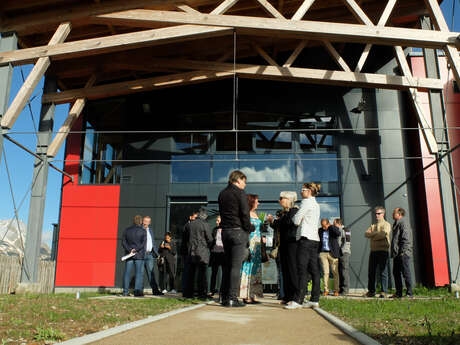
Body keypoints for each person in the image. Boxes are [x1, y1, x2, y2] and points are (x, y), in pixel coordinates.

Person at [218, 170, 254, 307]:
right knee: (235, 266)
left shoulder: (222, 193)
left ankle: (224, 297)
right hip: (238, 231)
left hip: (225, 232)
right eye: (244, 181)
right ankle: (232, 298)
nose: (245, 184)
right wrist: (249, 228)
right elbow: (245, 214)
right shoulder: (240, 193)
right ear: (238, 180)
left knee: (228, 266)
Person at [286, 182, 321, 309]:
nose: (301, 191)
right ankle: (314, 299)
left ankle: (298, 300)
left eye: (303, 189)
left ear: (310, 191)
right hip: (314, 239)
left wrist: (296, 218)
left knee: (302, 270)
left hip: (305, 239)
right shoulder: (316, 204)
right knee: (314, 270)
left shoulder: (306, 202)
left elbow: (296, 221)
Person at [267, 191, 299, 305]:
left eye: (282, 198)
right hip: (284, 245)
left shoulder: (294, 211)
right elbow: (278, 224)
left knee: (292, 270)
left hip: (292, 244)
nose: (280, 200)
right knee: (285, 271)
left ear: (289, 199)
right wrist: (272, 221)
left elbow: (286, 223)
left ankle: (295, 297)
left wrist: (276, 221)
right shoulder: (285, 213)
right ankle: (288, 296)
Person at [184, 207, 213, 299]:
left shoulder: (189, 225)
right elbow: (210, 239)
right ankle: (202, 293)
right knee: (202, 273)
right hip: (202, 251)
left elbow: (185, 238)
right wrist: (211, 245)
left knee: (191, 273)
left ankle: (188, 293)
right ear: (204, 216)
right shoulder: (205, 224)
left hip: (191, 250)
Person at [239, 194, 264, 304]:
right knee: (247, 268)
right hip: (249, 243)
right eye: (257, 201)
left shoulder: (256, 214)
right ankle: (246, 295)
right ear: (251, 202)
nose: (258, 203)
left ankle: (253, 294)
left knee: (255, 269)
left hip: (257, 245)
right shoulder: (245, 215)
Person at [365, 206, 391, 298]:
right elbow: (366, 234)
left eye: (378, 213)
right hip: (373, 251)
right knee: (371, 272)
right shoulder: (373, 225)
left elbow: (384, 234)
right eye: (376, 213)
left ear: (383, 214)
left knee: (383, 272)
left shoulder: (386, 224)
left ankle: (384, 291)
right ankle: (371, 291)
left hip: (383, 251)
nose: (376, 215)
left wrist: (373, 235)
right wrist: (376, 233)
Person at [390, 207, 413, 298]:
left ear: (399, 214)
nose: (392, 214)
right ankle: (398, 293)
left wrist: (403, 252)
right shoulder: (396, 224)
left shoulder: (403, 223)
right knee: (396, 272)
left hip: (403, 252)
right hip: (397, 253)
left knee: (405, 272)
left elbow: (406, 238)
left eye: (394, 212)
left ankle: (409, 293)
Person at [122, 215, 147, 297]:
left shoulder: (127, 230)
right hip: (139, 255)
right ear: (140, 222)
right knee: (138, 273)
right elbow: (143, 243)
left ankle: (125, 292)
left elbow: (123, 242)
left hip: (129, 255)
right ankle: (137, 292)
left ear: (133, 221)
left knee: (127, 273)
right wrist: (136, 249)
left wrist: (130, 250)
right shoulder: (143, 231)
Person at [318, 218, 341, 296]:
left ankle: (336, 290)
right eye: (322, 226)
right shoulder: (320, 230)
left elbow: (338, 233)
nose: (323, 227)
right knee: (325, 272)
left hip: (333, 253)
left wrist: (330, 226)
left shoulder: (332, 229)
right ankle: (326, 290)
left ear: (328, 224)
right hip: (323, 253)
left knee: (335, 272)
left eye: (325, 226)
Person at [142, 216, 163, 296]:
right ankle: (139, 290)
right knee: (140, 273)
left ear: (149, 223)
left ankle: (155, 291)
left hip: (150, 254)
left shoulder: (150, 230)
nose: (146, 223)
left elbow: (153, 243)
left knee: (151, 273)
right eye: (145, 221)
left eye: (147, 222)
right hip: (142, 254)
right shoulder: (140, 229)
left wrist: (157, 254)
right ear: (142, 221)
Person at [180, 211, 198, 294]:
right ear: (190, 217)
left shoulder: (190, 226)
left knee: (189, 271)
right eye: (195, 218)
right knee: (186, 271)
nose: (196, 220)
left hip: (190, 252)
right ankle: (185, 289)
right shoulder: (187, 226)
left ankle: (189, 289)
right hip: (187, 252)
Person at [209, 215, 225, 297]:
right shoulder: (214, 230)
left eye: (218, 220)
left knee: (224, 273)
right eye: (216, 220)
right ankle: (212, 290)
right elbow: (211, 241)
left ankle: (222, 291)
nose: (216, 222)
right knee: (214, 273)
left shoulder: (225, 230)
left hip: (223, 253)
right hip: (215, 253)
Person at [336, 218, 351, 296]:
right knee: (340, 271)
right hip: (339, 253)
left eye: (335, 224)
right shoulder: (338, 231)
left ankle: (345, 290)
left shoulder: (346, 229)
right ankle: (341, 289)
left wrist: (342, 250)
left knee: (344, 271)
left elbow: (347, 241)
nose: (334, 226)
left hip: (344, 252)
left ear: (339, 224)